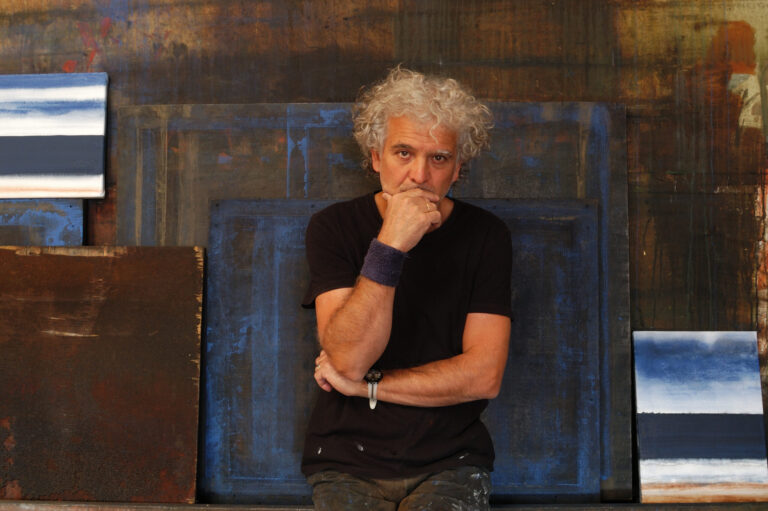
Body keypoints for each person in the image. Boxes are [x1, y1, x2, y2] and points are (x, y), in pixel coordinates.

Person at [300, 65, 513, 510]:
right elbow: (347, 357)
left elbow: (484, 376)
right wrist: (391, 244)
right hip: (345, 457)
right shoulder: (333, 227)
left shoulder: (486, 235)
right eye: (402, 153)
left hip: (452, 458)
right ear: (376, 158)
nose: (419, 175)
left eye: (439, 158)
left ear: (457, 168)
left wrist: (366, 387)